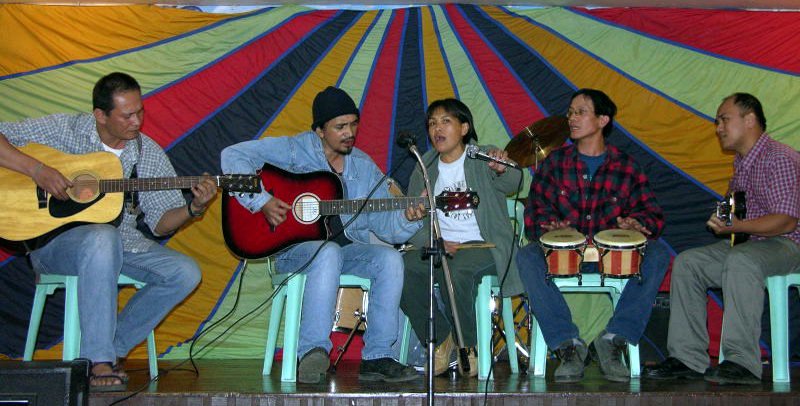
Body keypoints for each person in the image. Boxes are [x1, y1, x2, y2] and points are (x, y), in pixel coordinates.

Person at [0, 72, 217, 391]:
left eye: (140, 111)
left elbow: (160, 223)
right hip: (53, 245)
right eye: (127, 115)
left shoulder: (146, 153)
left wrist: (194, 208)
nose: (137, 121)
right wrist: (38, 170)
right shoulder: (64, 130)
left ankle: (111, 348)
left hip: (122, 244)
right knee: (103, 235)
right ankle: (96, 360)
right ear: (100, 115)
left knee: (185, 272)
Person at [220, 86, 423, 383]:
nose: (349, 133)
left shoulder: (363, 167)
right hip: (294, 251)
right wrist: (261, 201)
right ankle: (312, 351)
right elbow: (232, 156)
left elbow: (386, 227)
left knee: (389, 259)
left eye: (354, 124)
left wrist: (407, 217)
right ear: (319, 130)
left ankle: (378, 355)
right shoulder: (293, 150)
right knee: (326, 251)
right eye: (340, 126)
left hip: (346, 251)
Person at [644, 93, 800, 385]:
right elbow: (740, 218)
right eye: (717, 122)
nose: (718, 128)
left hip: (788, 245)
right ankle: (688, 358)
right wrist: (726, 221)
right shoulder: (742, 164)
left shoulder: (779, 158)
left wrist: (737, 226)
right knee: (690, 263)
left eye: (724, 119)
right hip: (752, 245)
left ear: (750, 119)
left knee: (742, 260)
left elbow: (786, 220)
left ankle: (742, 361)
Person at [516, 88, 670, 383]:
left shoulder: (625, 166)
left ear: (602, 119)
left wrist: (636, 223)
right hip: (563, 255)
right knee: (527, 255)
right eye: (570, 112)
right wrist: (549, 225)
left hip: (610, 258)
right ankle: (567, 344)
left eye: (581, 112)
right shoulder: (554, 164)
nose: (572, 118)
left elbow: (654, 216)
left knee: (658, 253)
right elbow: (533, 215)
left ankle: (615, 338)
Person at [399, 98, 524, 378]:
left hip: (485, 246)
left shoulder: (482, 156)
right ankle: (442, 339)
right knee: (402, 268)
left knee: (454, 270)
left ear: (464, 127)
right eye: (432, 123)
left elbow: (514, 181)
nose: (437, 129)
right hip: (440, 245)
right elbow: (415, 222)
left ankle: (470, 346)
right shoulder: (423, 165)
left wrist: (504, 167)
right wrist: (416, 220)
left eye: (446, 121)